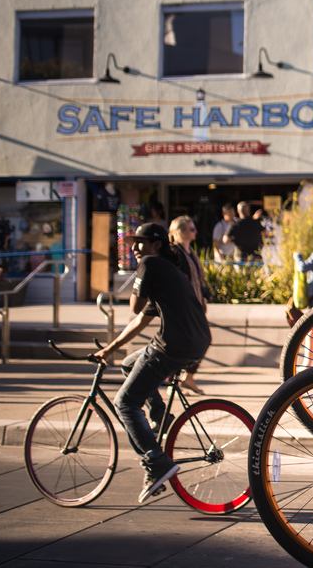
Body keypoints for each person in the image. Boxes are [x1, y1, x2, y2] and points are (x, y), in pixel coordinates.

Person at [92, 223, 212, 504]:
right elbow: (140, 321)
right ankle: (161, 417)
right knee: (128, 364)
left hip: (172, 345)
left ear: (157, 244)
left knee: (124, 402)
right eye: (133, 242)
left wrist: (139, 276)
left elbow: (134, 307)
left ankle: (156, 462)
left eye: (140, 242)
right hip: (195, 341)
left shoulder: (150, 264)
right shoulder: (168, 272)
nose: (134, 248)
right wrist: (111, 349)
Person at [169, 216, 211, 395]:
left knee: (199, 340)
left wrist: (205, 293)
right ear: (180, 232)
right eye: (191, 229)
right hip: (185, 307)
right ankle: (175, 381)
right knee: (194, 341)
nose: (195, 232)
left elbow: (197, 278)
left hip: (196, 305)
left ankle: (186, 378)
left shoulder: (190, 252)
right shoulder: (175, 252)